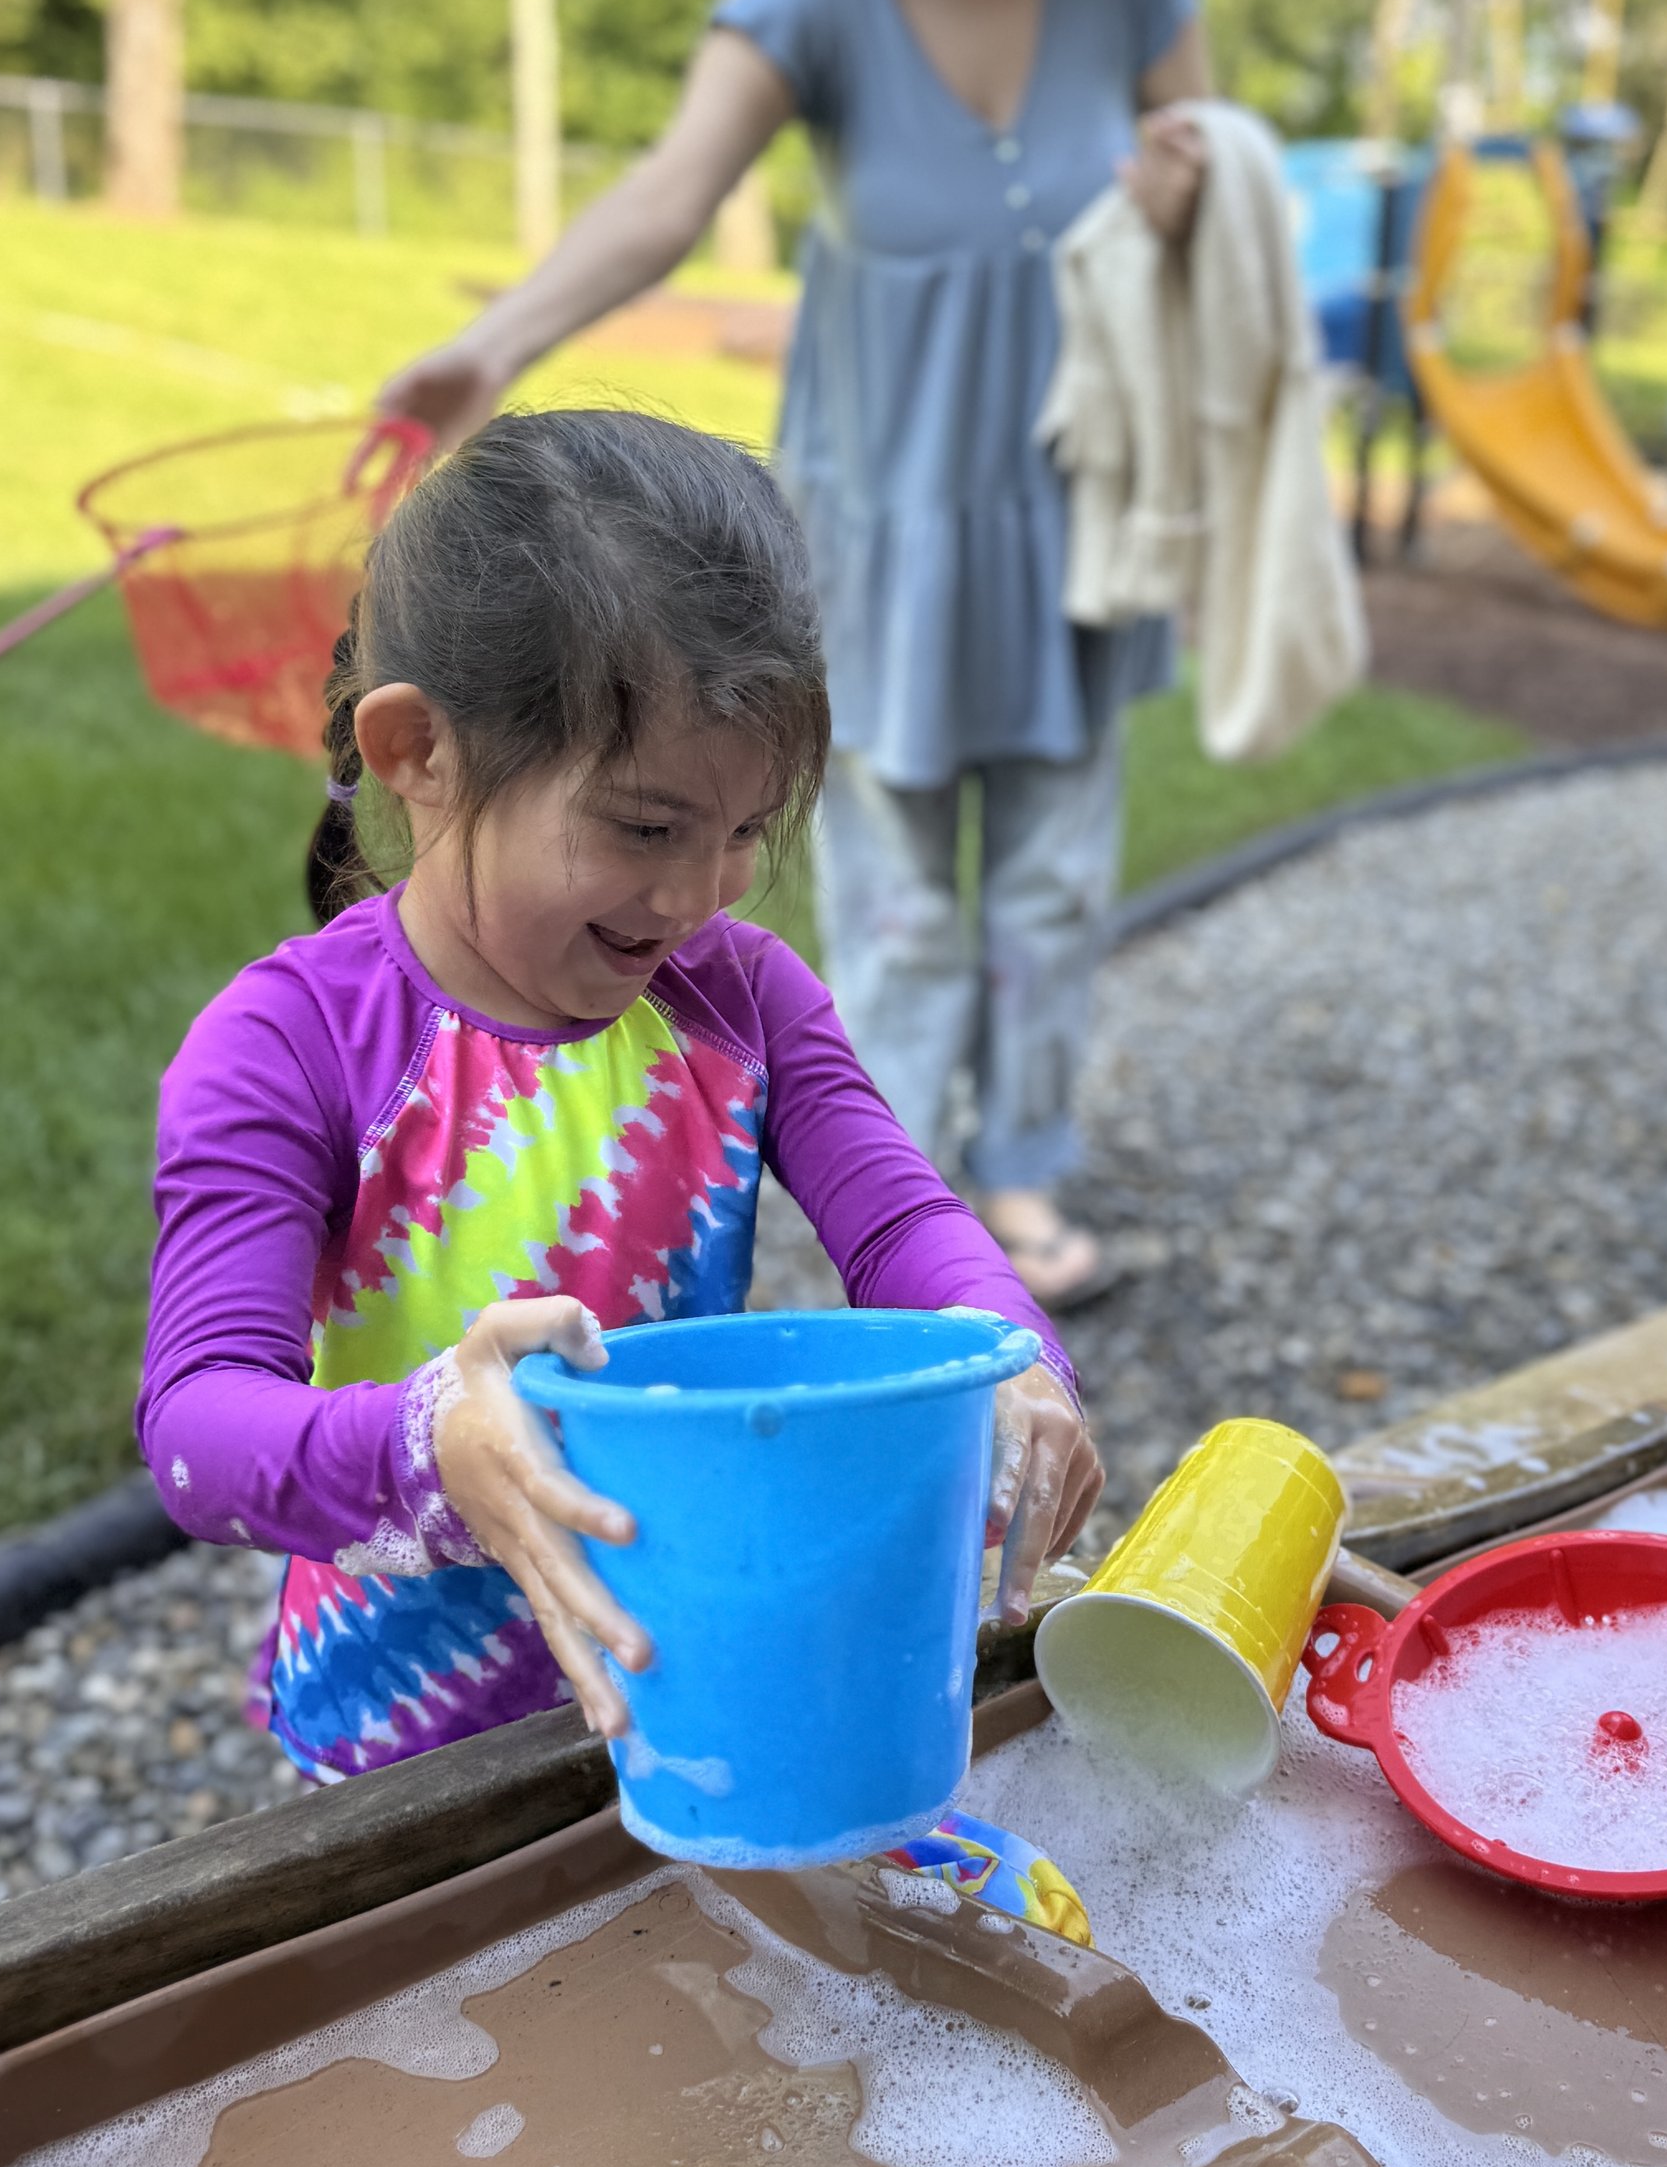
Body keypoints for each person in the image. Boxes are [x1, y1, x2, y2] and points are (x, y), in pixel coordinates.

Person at [376, 0, 1213, 1312]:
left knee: (1056, 878)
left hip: (1075, 503)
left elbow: (1214, 183)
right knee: (899, 898)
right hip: (885, 519)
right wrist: (495, 340)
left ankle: (1033, 1180)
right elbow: (672, 190)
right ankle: (901, 1214)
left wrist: (1179, 202)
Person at [142, 409, 1101, 1784]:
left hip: (686, 1690)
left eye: (746, 832)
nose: (699, 893)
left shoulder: (741, 999)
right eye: (649, 827)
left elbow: (902, 1229)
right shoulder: (291, 1044)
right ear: (418, 751)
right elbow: (197, 1426)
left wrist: (1009, 1361)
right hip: (403, 1755)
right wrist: (425, 1438)